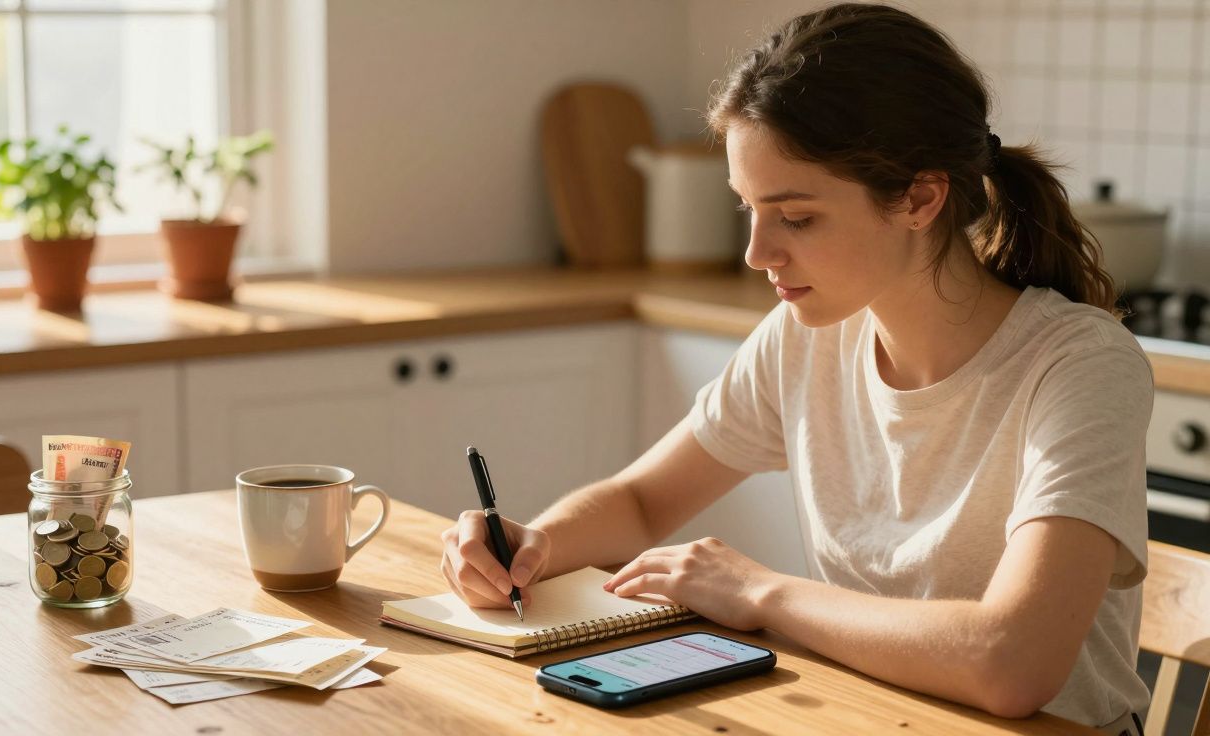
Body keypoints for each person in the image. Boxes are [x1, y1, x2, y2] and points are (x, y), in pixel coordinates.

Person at [439, 3, 1151, 733]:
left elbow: (1013, 665)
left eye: (797, 217)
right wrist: (535, 546)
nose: (756, 254)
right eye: (747, 208)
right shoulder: (807, 336)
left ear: (920, 198)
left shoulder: (1078, 366)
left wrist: (763, 593)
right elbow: (644, 503)